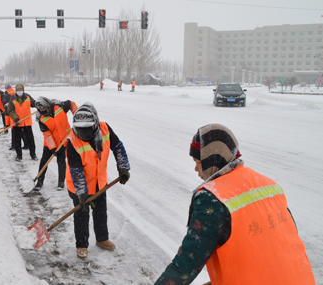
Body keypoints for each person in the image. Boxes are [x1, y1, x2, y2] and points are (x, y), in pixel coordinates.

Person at [154, 123, 316, 285]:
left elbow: (186, 266)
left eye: (198, 161)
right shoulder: (269, 185)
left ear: (212, 158)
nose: (196, 169)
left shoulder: (212, 197)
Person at [66, 102, 131, 260]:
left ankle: (102, 238)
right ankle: (81, 244)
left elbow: (118, 147)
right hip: (78, 186)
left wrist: (123, 168)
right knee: (82, 213)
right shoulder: (72, 141)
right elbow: (76, 171)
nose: (83, 133)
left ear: (94, 124)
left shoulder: (104, 129)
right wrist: (82, 194)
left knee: (100, 210)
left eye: (87, 129)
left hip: (99, 182)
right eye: (80, 129)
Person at [34, 96, 78, 191]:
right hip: (50, 142)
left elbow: (71, 103)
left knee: (61, 161)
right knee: (44, 161)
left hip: (64, 140)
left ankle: (61, 182)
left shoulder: (60, 107)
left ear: (47, 106)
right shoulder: (41, 118)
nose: (43, 112)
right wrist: (52, 147)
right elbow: (47, 134)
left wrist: (77, 116)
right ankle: (40, 181)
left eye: (44, 110)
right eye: (40, 110)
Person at [7, 84, 37, 161]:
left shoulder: (28, 97)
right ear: (16, 90)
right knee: (17, 141)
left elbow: (34, 103)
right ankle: (19, 155)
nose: (19, 91)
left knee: (31, 140)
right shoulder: (13, 99)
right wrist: (15, 119)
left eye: (21, 90)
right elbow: (10, 110)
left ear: (23, 90)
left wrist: (39, 105)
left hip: (27, 123)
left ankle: (33, 155)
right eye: (18, 90)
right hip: (17, 123)